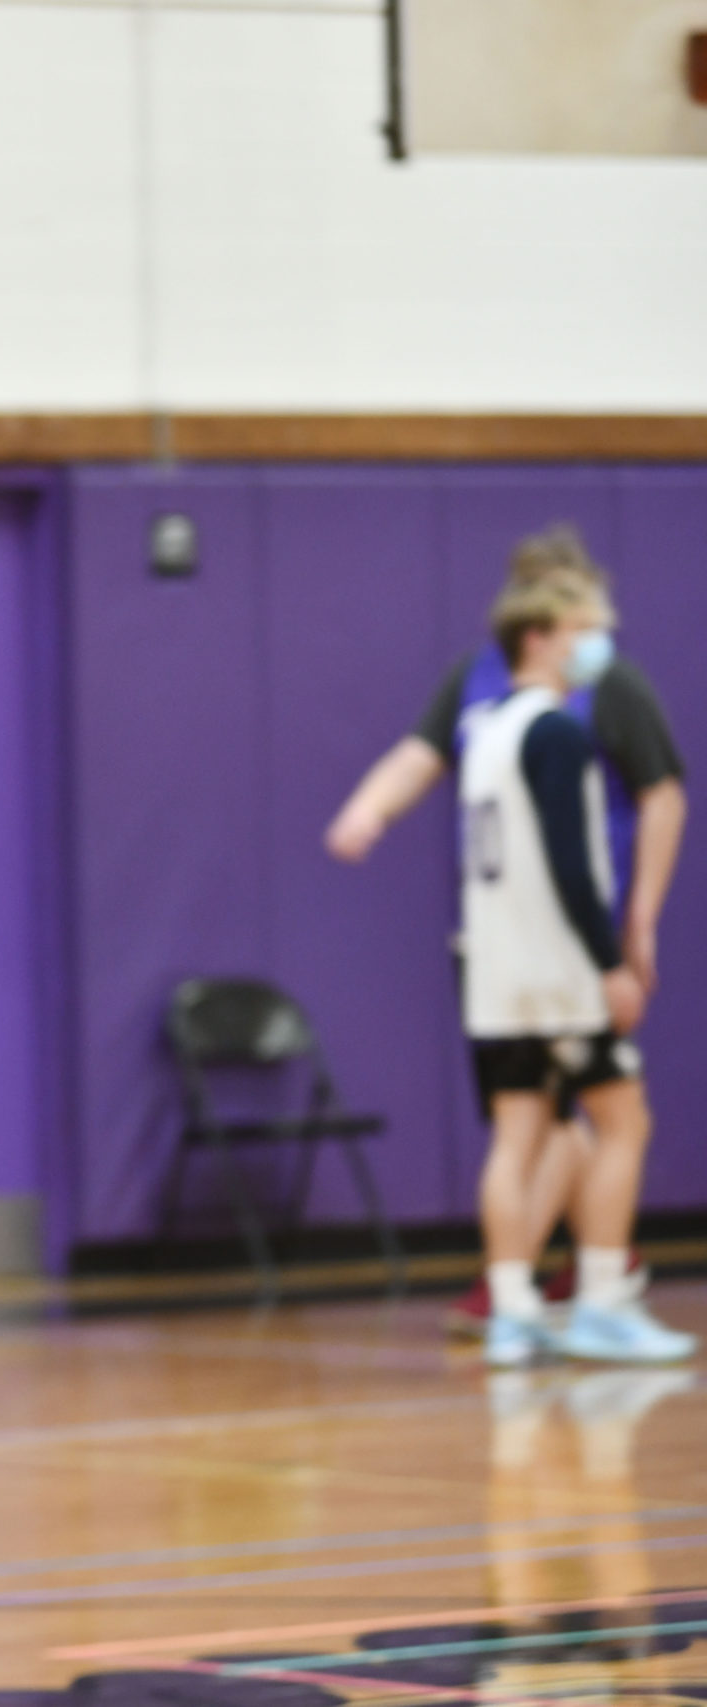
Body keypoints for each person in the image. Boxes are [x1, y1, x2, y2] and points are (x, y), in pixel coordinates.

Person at [327, 529, 687, 1333]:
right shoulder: (525, 711)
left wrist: (643, 920)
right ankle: (575, 1281)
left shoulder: (562, 704)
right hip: (554, 941)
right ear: (544, 621)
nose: (593, 632)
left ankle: (526, 1281)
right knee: (586, 1117)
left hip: (544, 936)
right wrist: (371, 804)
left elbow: (663, 797)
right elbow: (423, 761)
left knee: (546, 1121)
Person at [451, 573, 693, 1366]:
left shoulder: (482, 730)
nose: (599, 644)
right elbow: (568, 864)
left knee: (517, 1136)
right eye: (584, 626)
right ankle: (600, 1297)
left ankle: (514, 1308)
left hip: (495, 973)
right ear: (539, 636)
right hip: (556, 973)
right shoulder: (554, 733)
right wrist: (609, 961)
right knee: (624, 1119)